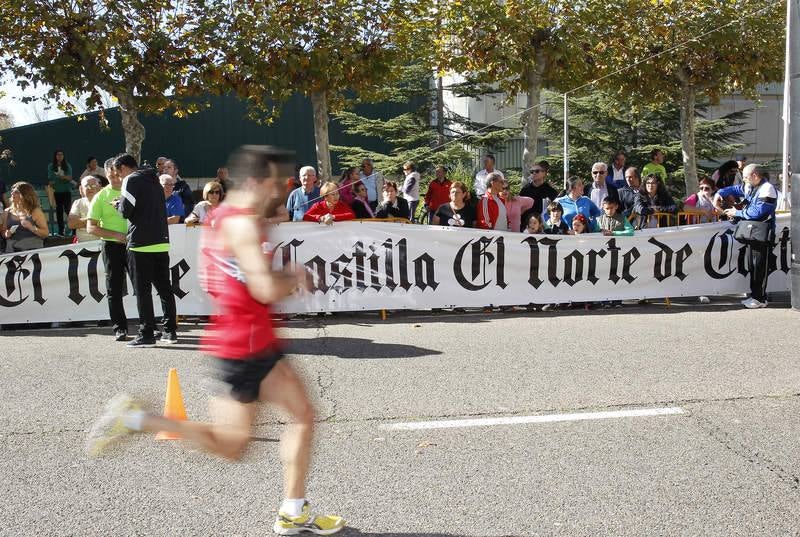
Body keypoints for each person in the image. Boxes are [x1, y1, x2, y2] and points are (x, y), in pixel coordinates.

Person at [86, 145, 346, 536]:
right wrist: (293, 277)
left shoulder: (226, 218)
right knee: (233, 445)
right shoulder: (241, 224)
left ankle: (293, 508)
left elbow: (225, 278)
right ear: (258, 181)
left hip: (249, 340)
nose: (283, 189)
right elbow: (261, 287)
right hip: (246, 345)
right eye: (278, 181)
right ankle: (137, 418)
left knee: (301, 416)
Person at [115, 153, 178, 347]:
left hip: (140, 243)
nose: (118, 177)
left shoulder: (130, 179)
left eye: (118, 173)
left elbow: (126, 211)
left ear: (124, 168)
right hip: (161, 240)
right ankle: (170, 332)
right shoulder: (155, 180)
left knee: (142, 291)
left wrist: (118, 205)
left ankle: (147, 334)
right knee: (165, 289)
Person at [714, 163, 777, 309]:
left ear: (755, 175)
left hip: (762, 233)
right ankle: (755, 296)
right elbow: (736, 189)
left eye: (746, 177)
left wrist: (737, 213)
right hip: (753, 233)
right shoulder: (751, 186)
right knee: (752, 265)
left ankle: (759, 298)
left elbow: (759, 212)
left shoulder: (767, 189)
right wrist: (719, 193)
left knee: (759, 266)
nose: (744, 180)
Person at [87, 158, 130, 341]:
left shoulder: (132, 192)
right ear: (106, 175)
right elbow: (91, 227)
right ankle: (120, 328)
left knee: (143, 286)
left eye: (117, 173)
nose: (114, 177)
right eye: (110, 174)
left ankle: (148, 325)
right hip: (112, 246)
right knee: (114, 289)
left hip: (135, 245)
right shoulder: (100, 196)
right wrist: (116, 235)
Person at [1, 182, 49, 252]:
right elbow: (3, 232)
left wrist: (32, 228)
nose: (12, 194)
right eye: (12, 192)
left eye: (16, 192)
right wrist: (6, 234)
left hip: (32, 252)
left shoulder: (35, 211)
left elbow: (45, 233)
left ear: (25, 195)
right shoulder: (7, 212)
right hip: (12, 251)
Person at [520, 160, 558, 225]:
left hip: (544, 226)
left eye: (537, 171)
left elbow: (555, 210)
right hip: (527, 226)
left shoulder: (551, 191)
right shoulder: (525, 190)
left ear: (544, 173)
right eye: (532, 172)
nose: (534, 173)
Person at [68, 175, 102, 242]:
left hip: (100, 244)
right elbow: (71, 223)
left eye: (93, 185)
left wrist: (80, 222)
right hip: (82, 246)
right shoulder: (78, 203)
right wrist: (94, 221)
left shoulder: (105, 202)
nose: (90, 188)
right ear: (81, 189)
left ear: (99, 188)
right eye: (86, 186)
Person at [48, 149, 74, 236]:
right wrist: (58, 178)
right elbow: (51, 179)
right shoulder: (51, 166)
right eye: (58, 155)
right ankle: (60, 231)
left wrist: (62, 177)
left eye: (61, 155)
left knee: (68, 210)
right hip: (56, 192)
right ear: (55, 156)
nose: (60, 156)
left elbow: (69, 178)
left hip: (66, 191)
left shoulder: (67, 165)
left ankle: (73, 229)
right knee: (59, 211)